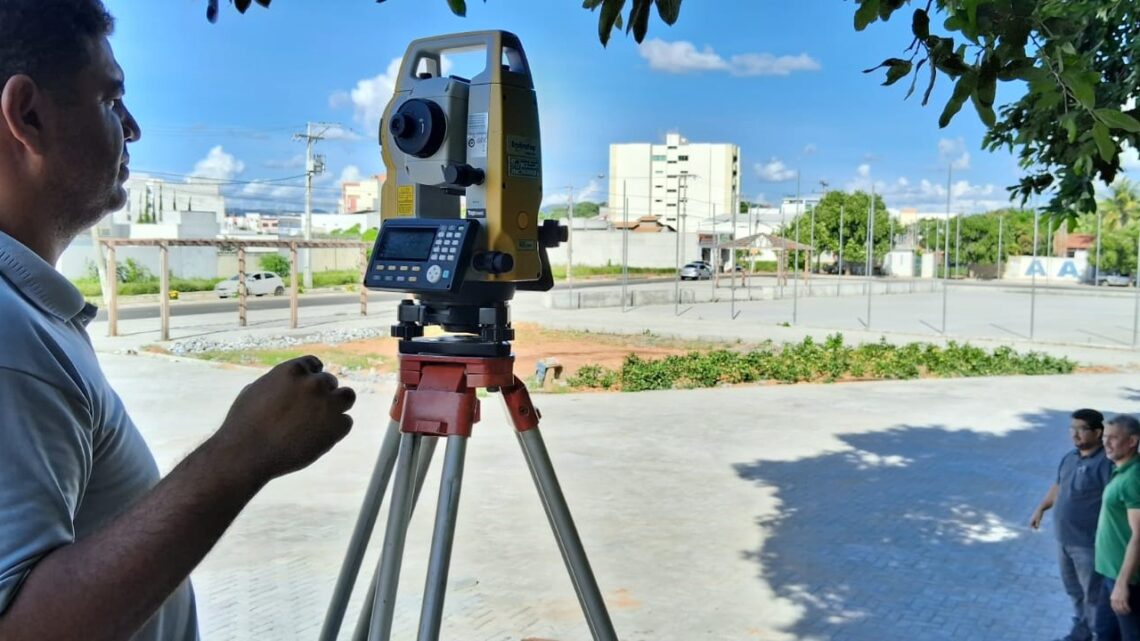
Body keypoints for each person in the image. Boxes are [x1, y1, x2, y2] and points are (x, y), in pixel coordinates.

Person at [0, 2, 356, 640]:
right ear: (27, 115)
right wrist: (242, 453)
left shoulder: (25, 312)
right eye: (110, 100)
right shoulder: (7, 334)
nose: (131, 129)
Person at [1031, 409, 1113, 641]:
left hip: (1089, 544)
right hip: (1064, 540)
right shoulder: (1070, 458)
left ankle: (1097, 634)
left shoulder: (1106, 464)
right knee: (1074, 592)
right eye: (1072, 429)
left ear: (1097, 432)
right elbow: (1059, 486)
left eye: (1081, 429)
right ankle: (1082, 633)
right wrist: (1041, 508)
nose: (1075, 434)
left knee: (1093, 595)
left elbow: (1115, 502)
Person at [1094, 415, 1140, 641]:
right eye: (1105, 437)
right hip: (1111, 573)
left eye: (1113, 438)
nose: (1106, 443)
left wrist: (1122, 585)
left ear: (1132, 441)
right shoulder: (1121, 469)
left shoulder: (1134, 477)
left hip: (1128, 581)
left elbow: (1139, 535)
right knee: (1104, 633)